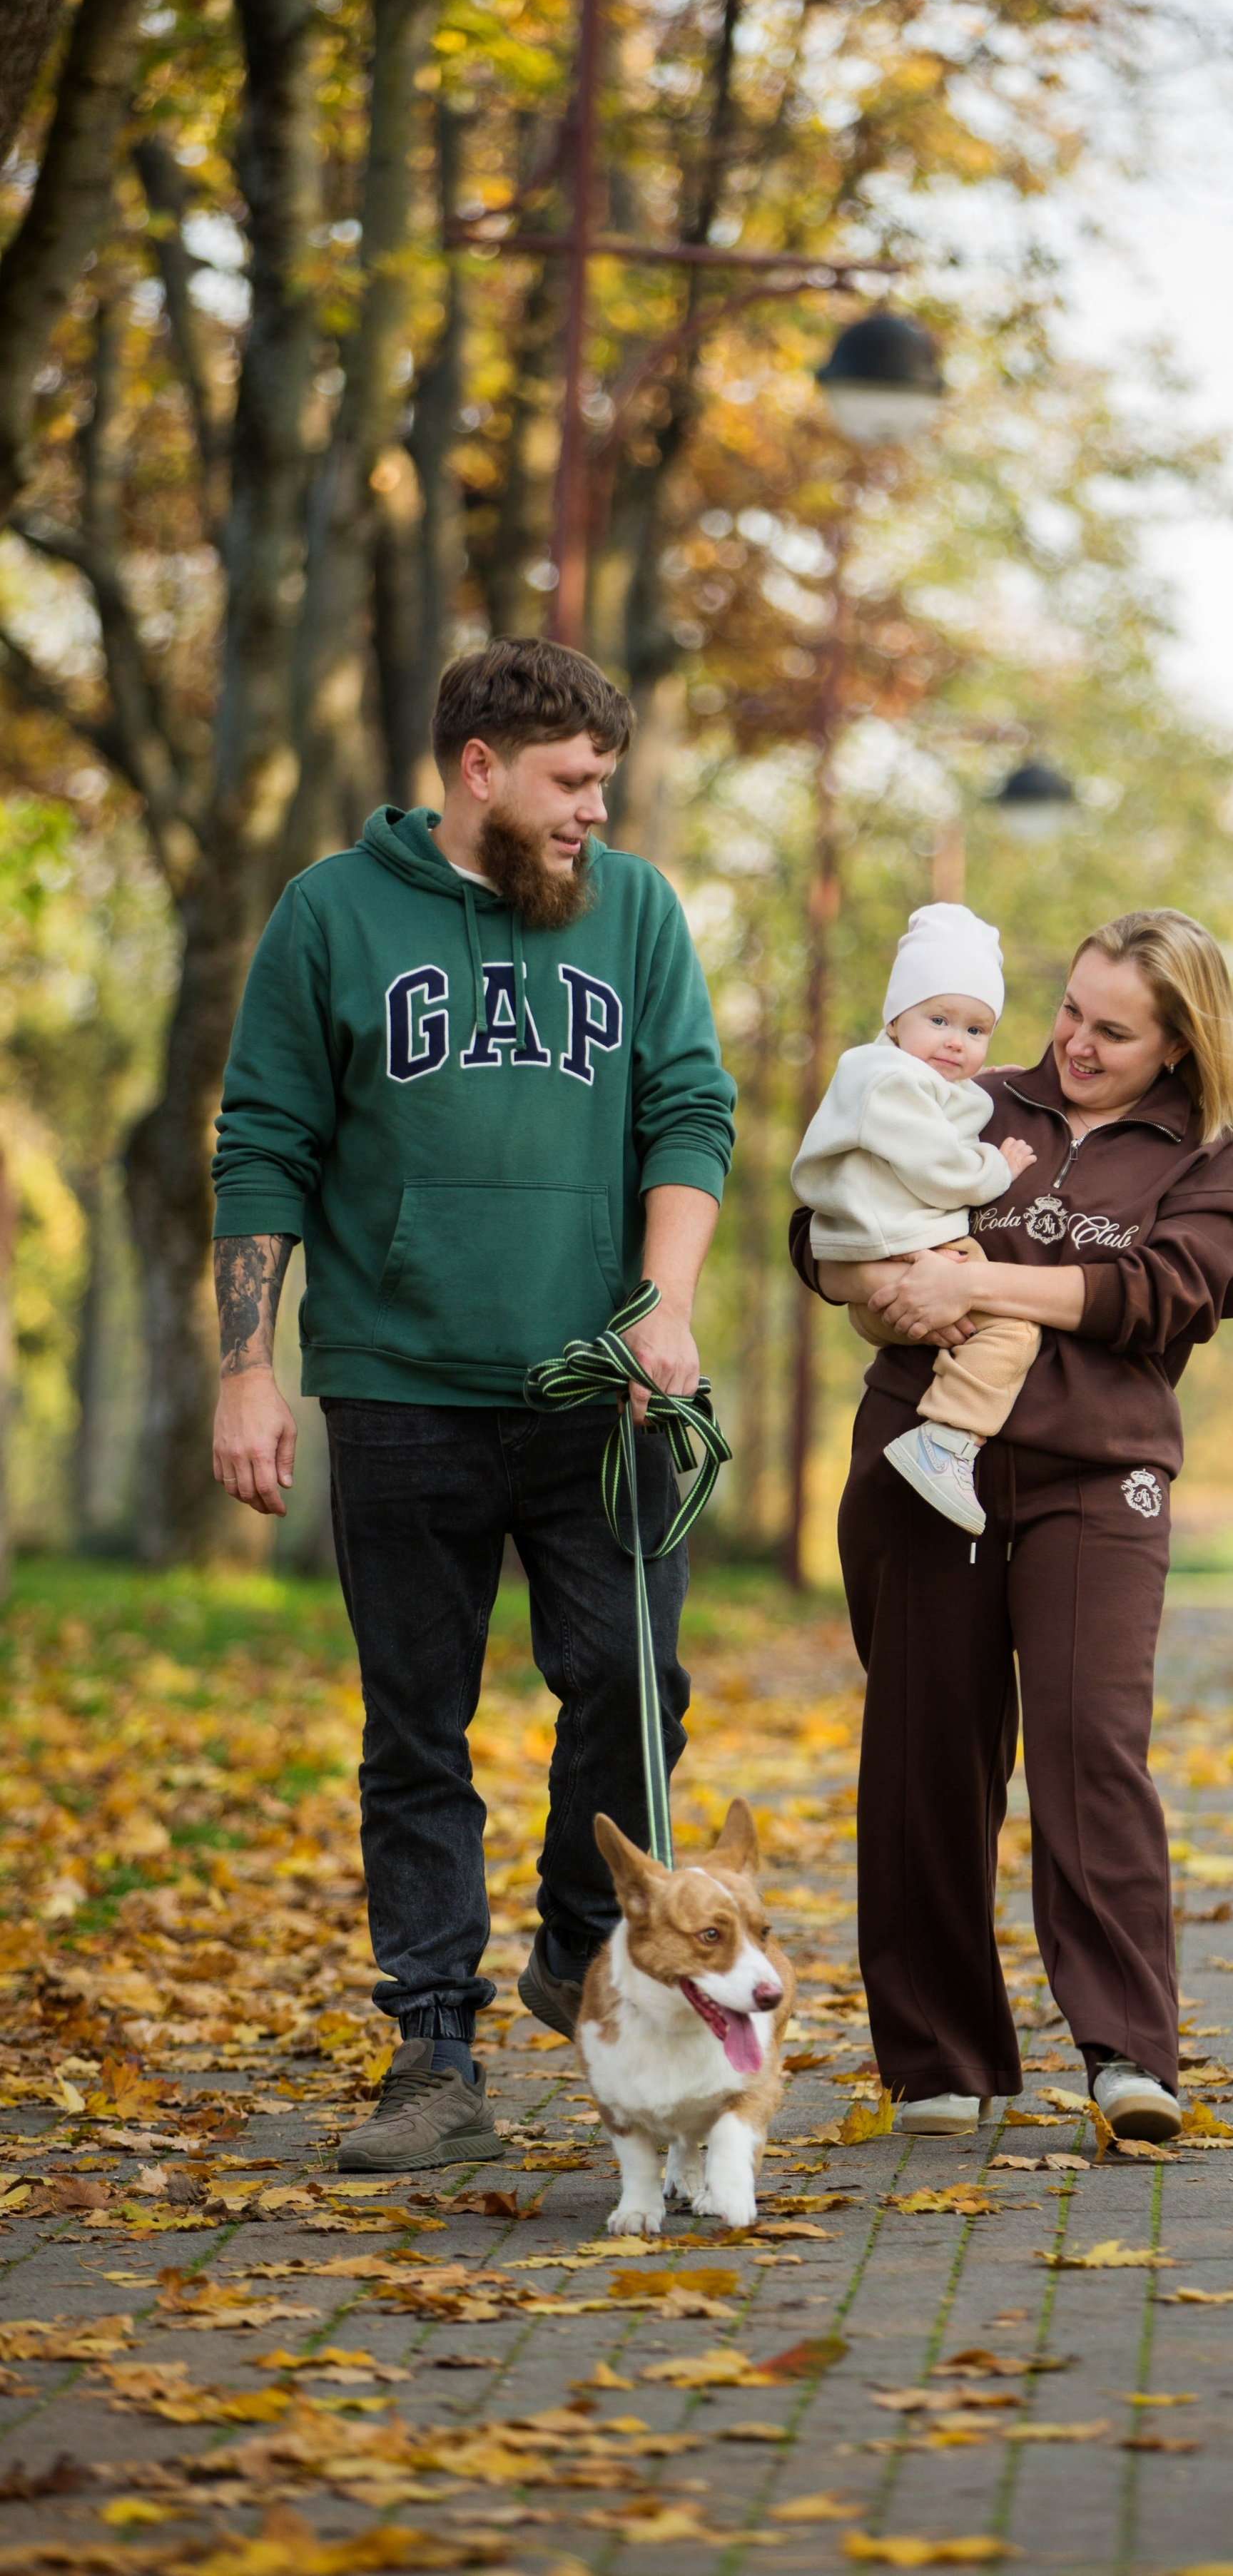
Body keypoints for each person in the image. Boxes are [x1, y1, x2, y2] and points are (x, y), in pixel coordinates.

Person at [210, 637, 736, 2170]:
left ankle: (577, 1945)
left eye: (604, 785)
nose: (592, 811)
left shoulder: (631, 909)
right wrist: (248, 1362)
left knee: (635, 1686)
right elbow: (265, 1142)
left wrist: (666, 1303)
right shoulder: (331, 914)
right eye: (570, 783)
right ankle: (432, 2054)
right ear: (478, 767)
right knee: (415, 1730)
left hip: (603, 1392)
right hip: (397, 1388)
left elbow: (686, 1107)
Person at [790, 907, 1233, 2144]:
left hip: (1095, 1480)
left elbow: (1167, 1293)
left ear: (1179, 1044)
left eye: (1115, 1031)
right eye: (1069, 1011)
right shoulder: (959, 1088)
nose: (1075, 1045)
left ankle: (1127, 2054)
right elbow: (823, 1217)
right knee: (924, 1758)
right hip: (919, 1468)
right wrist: (875, 1280)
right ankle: (937, 2058)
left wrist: (979, 1281)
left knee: (1087, 1747)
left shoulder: (1202, 1156)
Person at [789, 902, 1040, 1537]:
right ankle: (947, 1441)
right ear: (895, 1018)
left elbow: (954, 1111)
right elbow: (936, 1165)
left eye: (978, 1030)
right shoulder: (889, 1081)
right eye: (939, 1019)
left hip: (880, 1264)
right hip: (904, 1248)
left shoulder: (896, 1075)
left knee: (963, 1327)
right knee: (1012, 1331)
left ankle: (944, 1442)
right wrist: (996, 1169)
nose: (957, 1041)